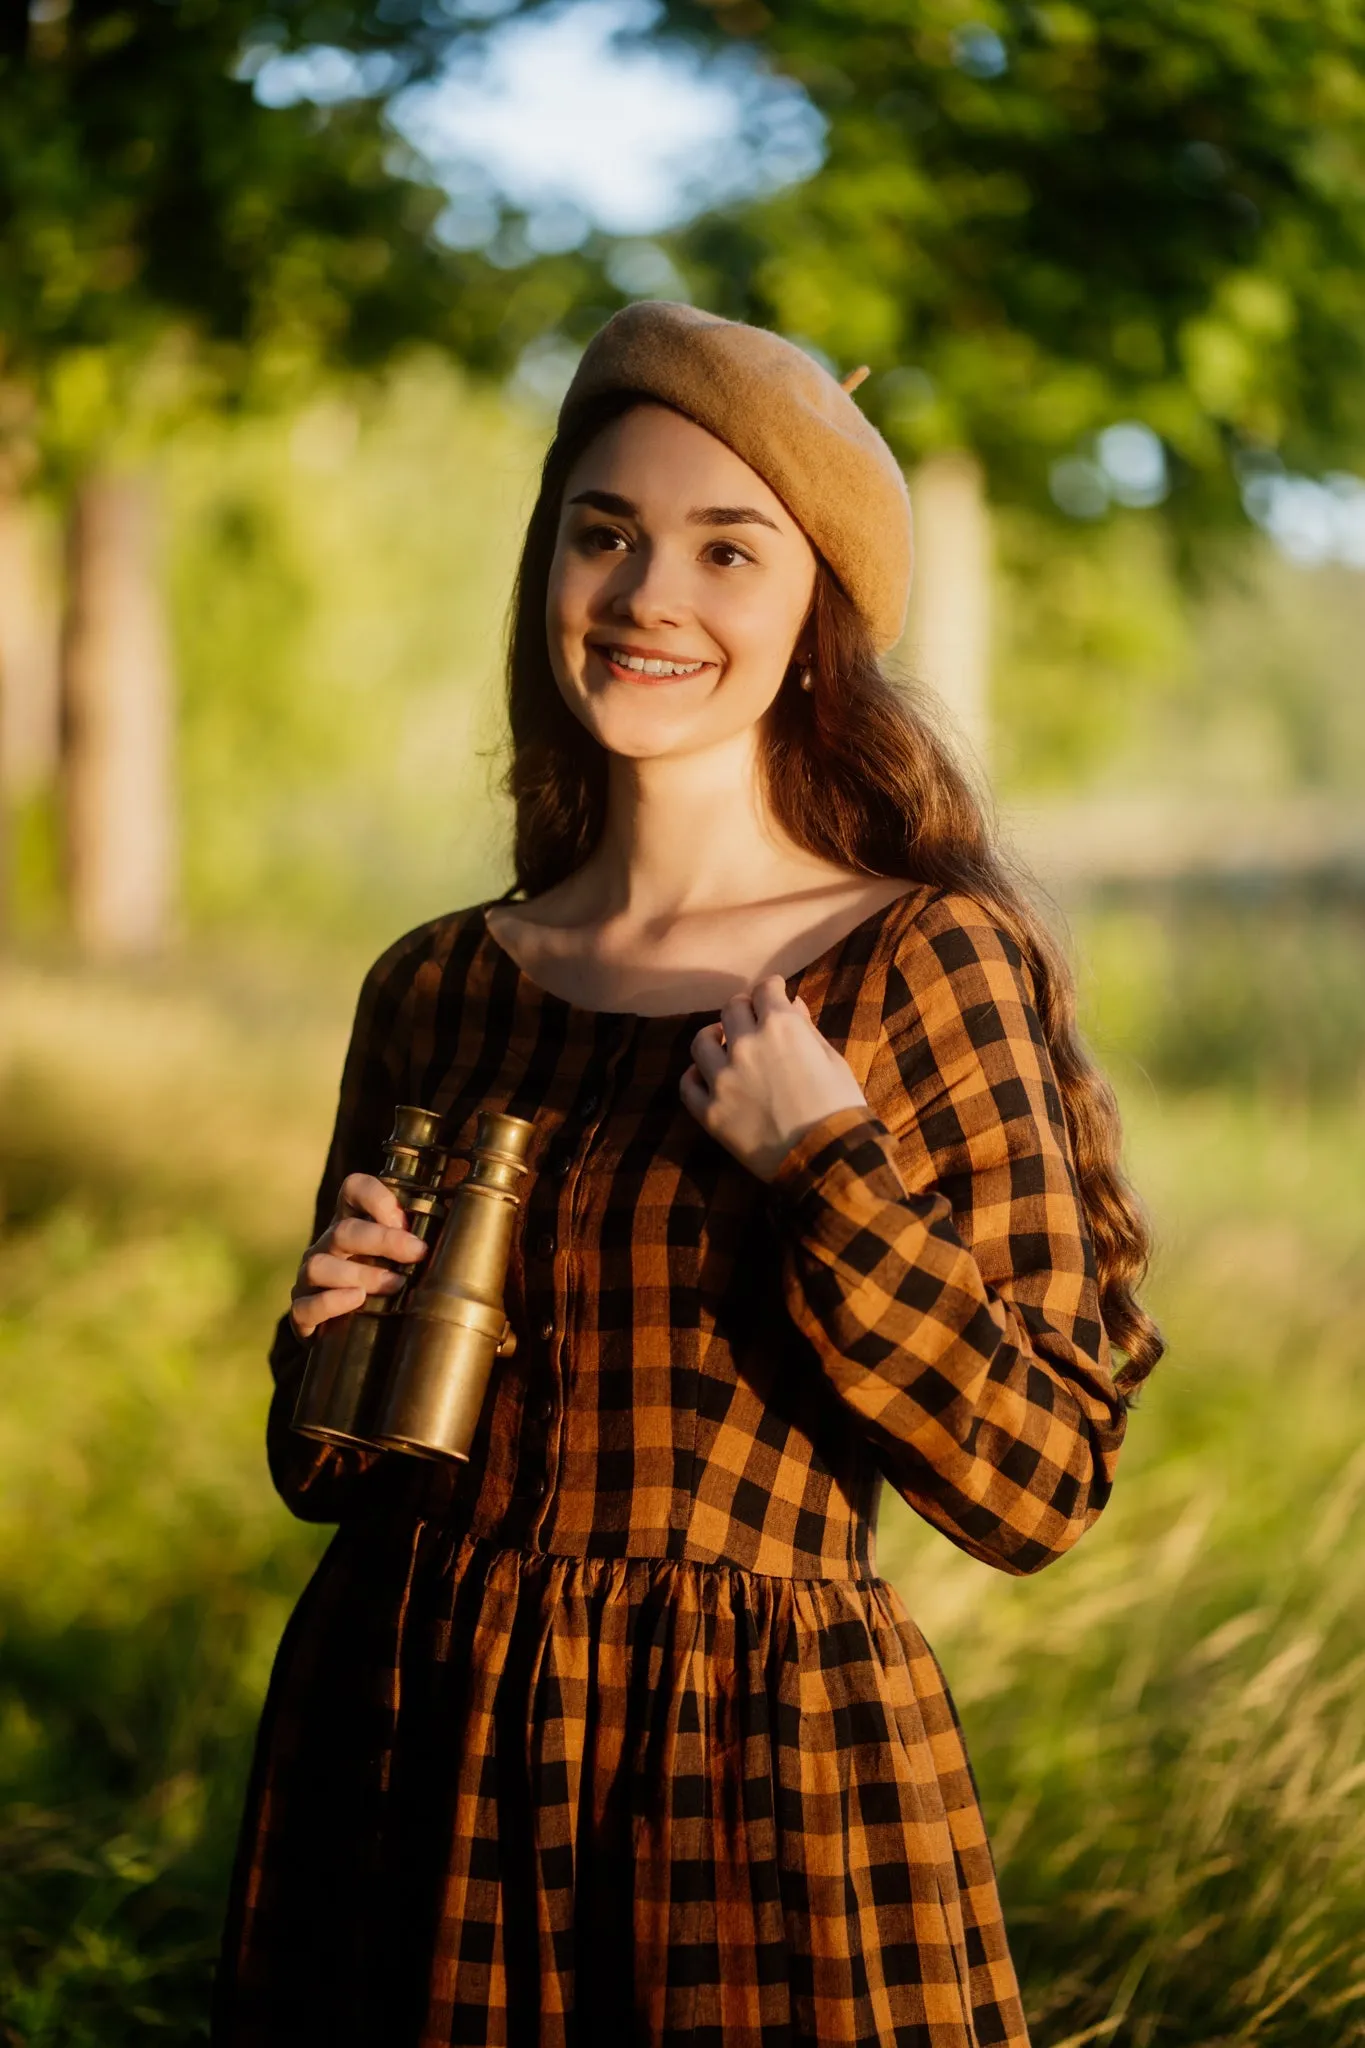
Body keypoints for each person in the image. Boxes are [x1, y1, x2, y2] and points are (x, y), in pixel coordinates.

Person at [212, 301, 1163, 2048]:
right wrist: (326, 1351)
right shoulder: (438, 982)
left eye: (729, 550)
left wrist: (826, 1167)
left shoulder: (914, 965)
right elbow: (335, 1476)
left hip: (744, 1785)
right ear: (548, 571)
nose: (651, 594)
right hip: (405, 1740)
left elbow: (1044, 1483)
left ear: (817, 623)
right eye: (606, 533)